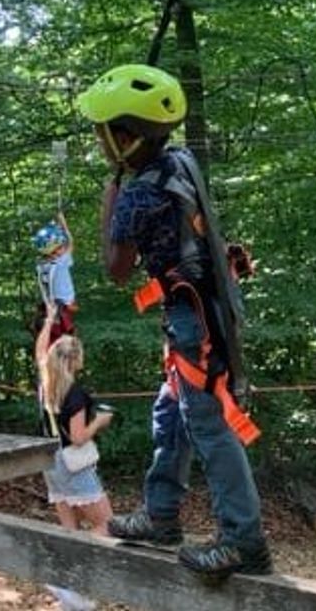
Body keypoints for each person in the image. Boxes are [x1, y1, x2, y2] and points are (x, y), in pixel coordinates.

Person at [77, 63, 271, 578]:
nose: (98, 141)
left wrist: (110, 202)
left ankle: (244, 541)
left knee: (209, 423)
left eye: (102, 133)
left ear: (125, 139)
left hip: (195, 317)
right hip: (204, 305)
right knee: (172, 412)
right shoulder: (180, 160)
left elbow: (117, 270)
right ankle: (162, 515)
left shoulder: (138, 194)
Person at [36, 310, 113, 534]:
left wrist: (49, 320)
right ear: (74, 359)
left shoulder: (45, 385)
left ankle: (68, 556)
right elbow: (78, 438)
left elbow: (40, 352)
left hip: (49, 461)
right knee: (106, 525)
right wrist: (99, 421)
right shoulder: (75, 394)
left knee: (69, 530)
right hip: (72, 463)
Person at [31, 212, 78, 342]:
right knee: (66, 339)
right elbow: (71, 242)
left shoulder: (41, 266)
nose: (64, 248)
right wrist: (64, 224)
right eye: (61, 246)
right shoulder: (61, 262)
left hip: (51, 307)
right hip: (63, 307)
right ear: (55, 250)